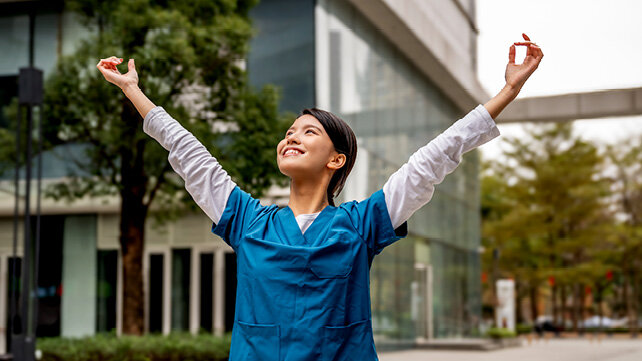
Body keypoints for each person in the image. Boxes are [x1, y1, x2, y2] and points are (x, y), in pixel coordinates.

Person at [97, 33, 543, 361]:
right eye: (289, 133)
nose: (291, 138)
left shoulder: (361, 224)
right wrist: (133, 90)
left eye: (309, 132)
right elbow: (188, 154)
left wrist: (507, 91)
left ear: (336, 160)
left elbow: (432, 160)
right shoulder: (249, 221)